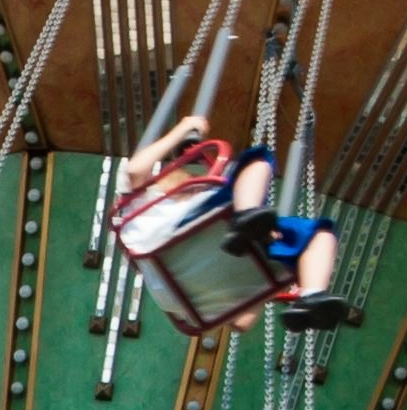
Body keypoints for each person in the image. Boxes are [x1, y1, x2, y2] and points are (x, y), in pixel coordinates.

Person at [113, 114, 349, 332]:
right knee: (258, 159)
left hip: (187, 297)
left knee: (321, 233)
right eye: (194, 186)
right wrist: (184, 127)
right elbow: (135, 170)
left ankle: (311, 297)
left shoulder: (138, 214)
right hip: (183, 244)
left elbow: (241, 323)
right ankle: (248, 218)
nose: (197, 188)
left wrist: (268, 283)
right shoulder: (144, 201)